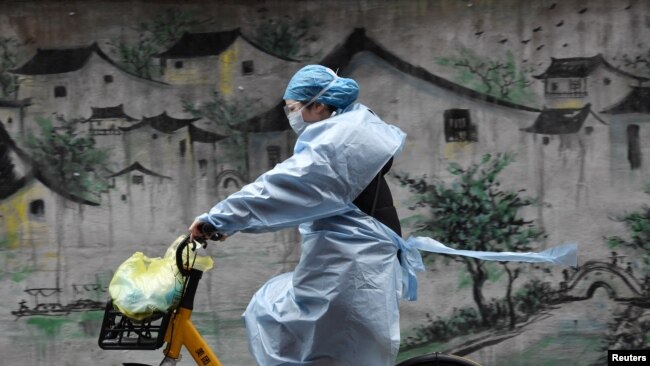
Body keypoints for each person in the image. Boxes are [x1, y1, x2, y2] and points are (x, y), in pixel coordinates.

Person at [189, 65, 578, 366]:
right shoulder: (352, 135)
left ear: (319, 106)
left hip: (347, 266)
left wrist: (218, 219)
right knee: (289, 320)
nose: (291, 118)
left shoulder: (334, 147)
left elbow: (282, 187)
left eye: (293, 109)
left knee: (276, 316)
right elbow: (300, 195)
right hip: (356, 263)